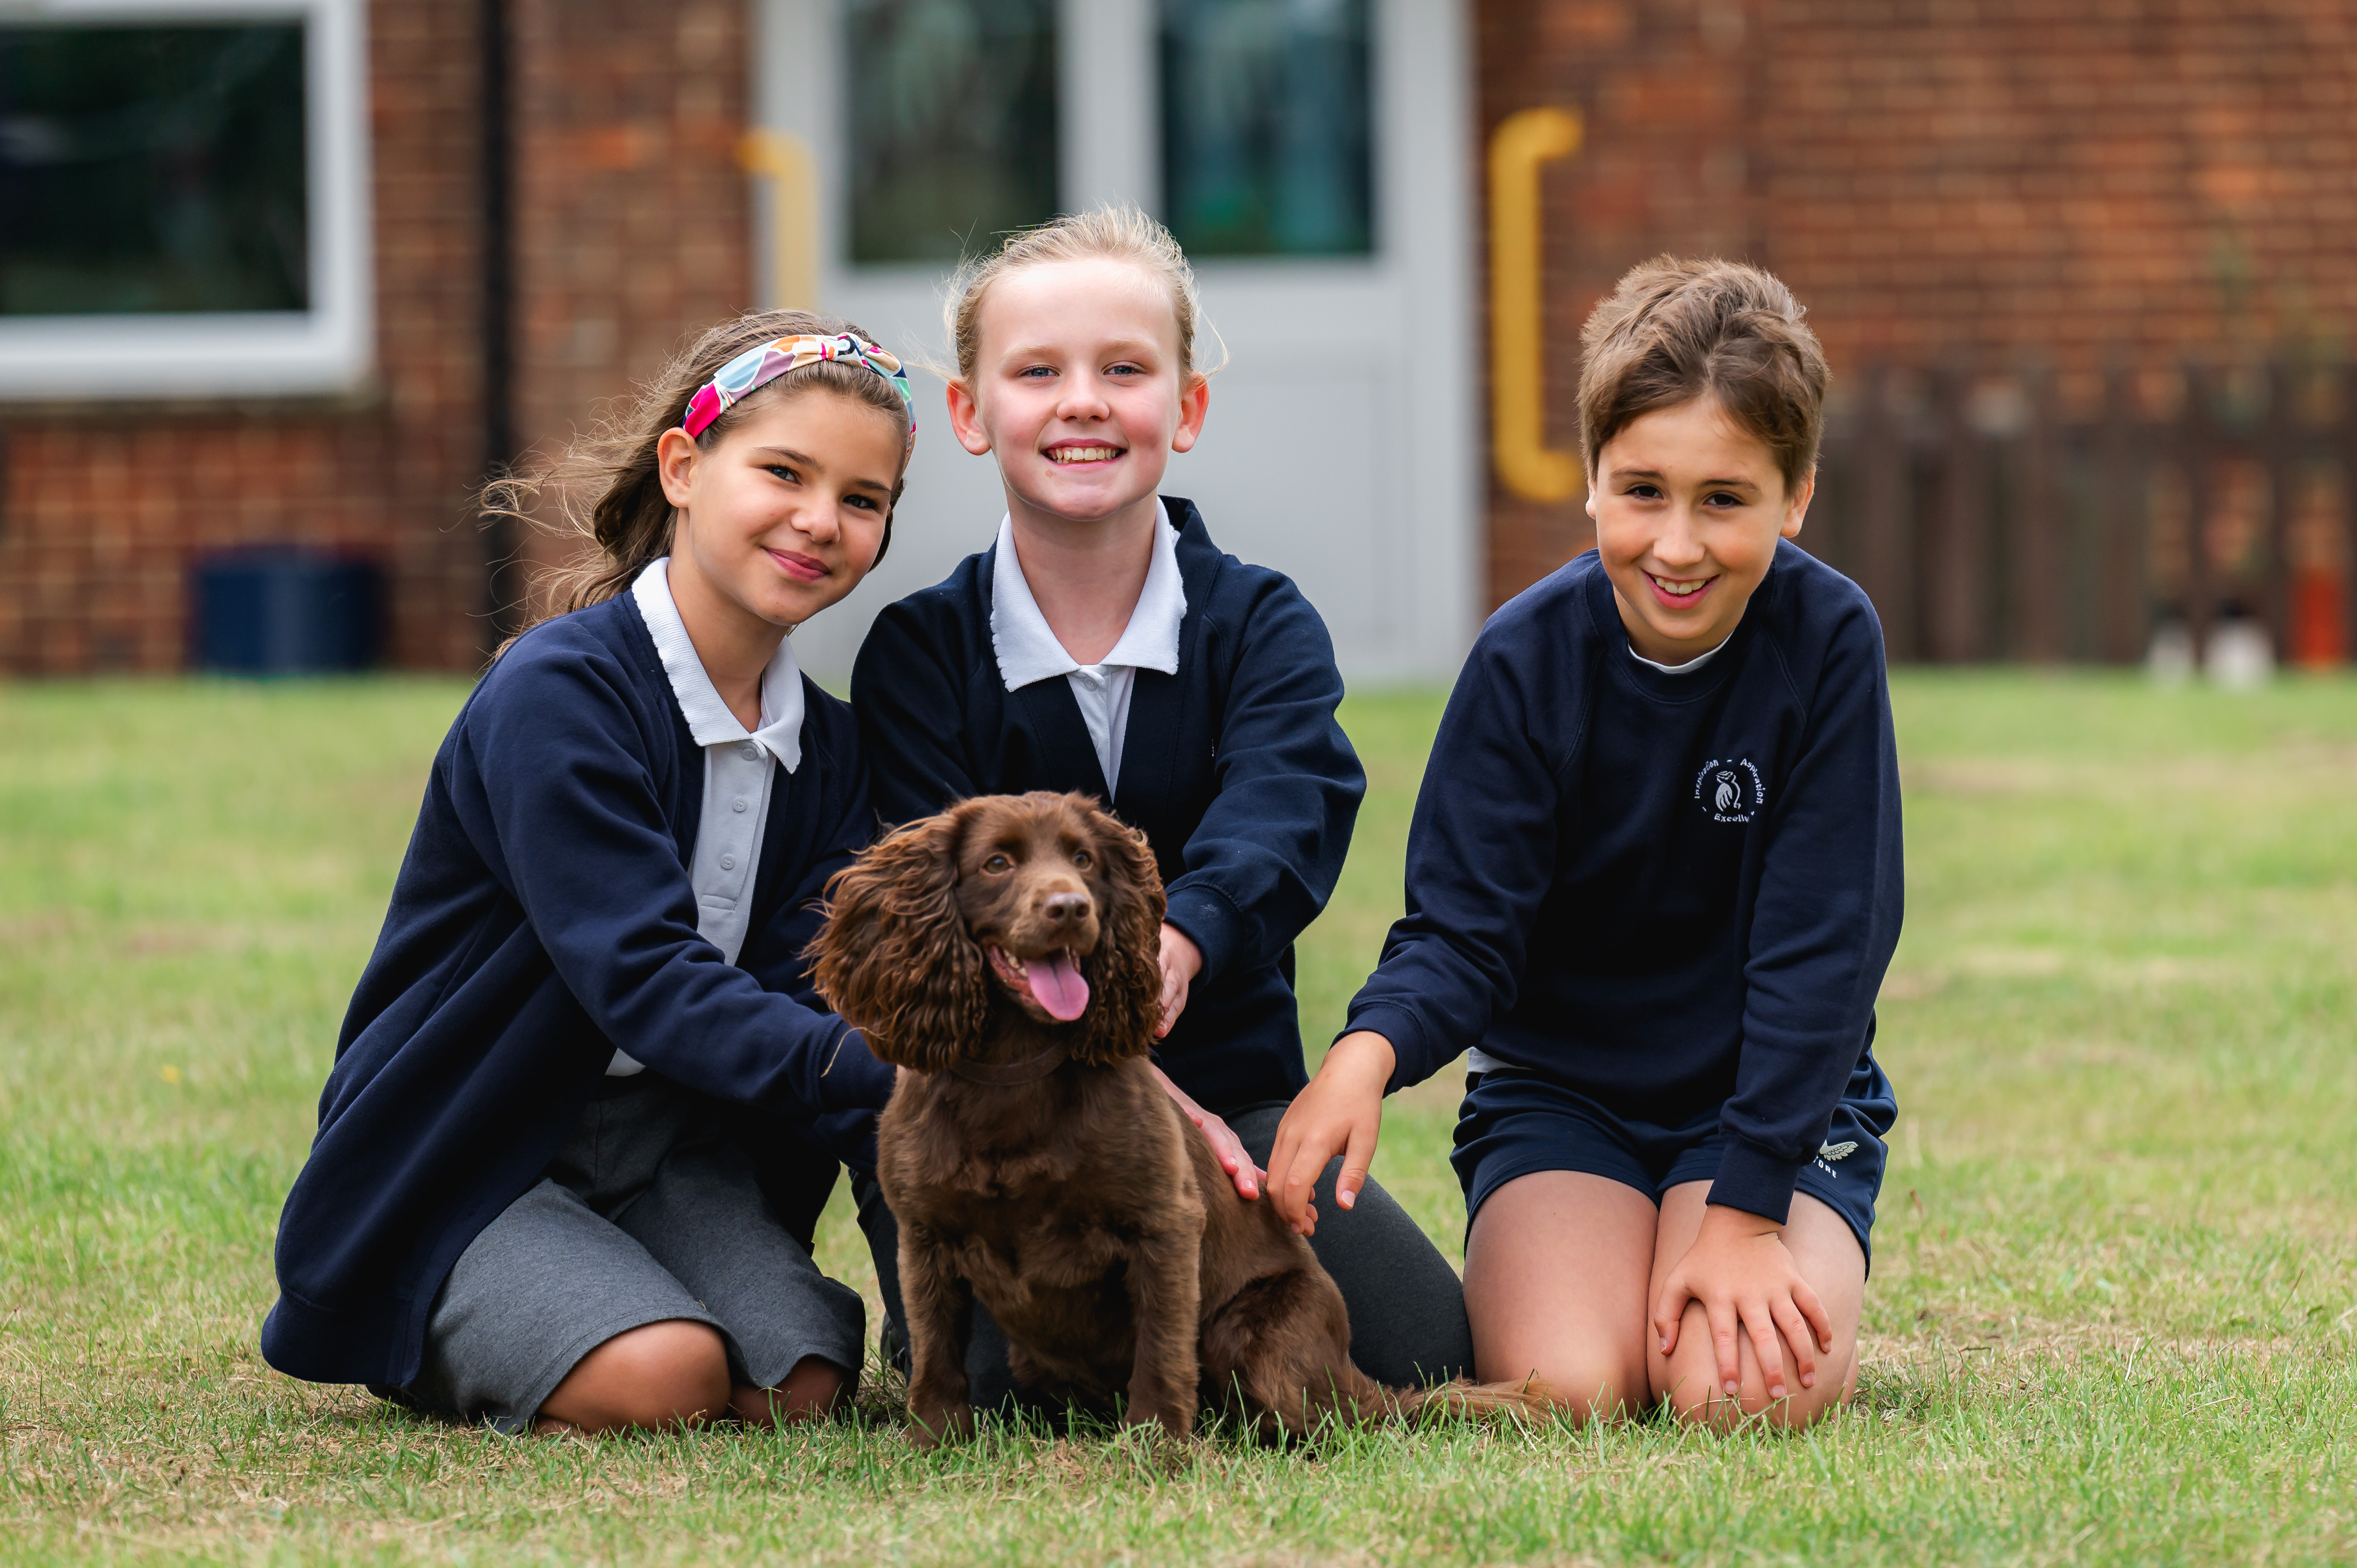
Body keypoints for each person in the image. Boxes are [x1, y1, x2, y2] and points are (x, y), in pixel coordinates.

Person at [849, 206, 1475, 1404]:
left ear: (1182, 410)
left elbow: (1290, 803)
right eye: (1038, 372)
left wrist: (1174, 945)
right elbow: (923, 905)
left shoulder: (1261, 622)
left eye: (1124, 370)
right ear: (971, 415)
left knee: (1422, 1347)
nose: (1083, 401)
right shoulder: (919, 654)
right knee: (1002, 1377)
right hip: (991, 1119)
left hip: (1230, 1094)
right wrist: (1130, 1075)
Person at [1268, 257, 1903, 1429]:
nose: (1676, 542)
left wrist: (1748, 1208)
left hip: (1765, 1103)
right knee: (1568, 1388)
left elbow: (1826, 950)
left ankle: (1769, 1238)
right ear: (1592, 482)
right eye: (1642, 490)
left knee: (1733, 1394)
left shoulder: (1827, 641)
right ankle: (1636, 1243)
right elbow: (1464, 931)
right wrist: (1365, 1051)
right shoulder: (1522, 658)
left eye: (1725, 498)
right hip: (1565, 1101)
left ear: (1795, 495)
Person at [260, 312, 916, 1435]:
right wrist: (910, 1073)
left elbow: (827, 993)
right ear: (683, 466)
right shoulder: (564, 695)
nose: (820, 520)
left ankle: (621, 1285)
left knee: (799, 1380)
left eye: (863, 499)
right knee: (665, 1377)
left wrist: (934, 1292)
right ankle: (440, 1309)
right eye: (783, 472)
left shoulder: (834, 749)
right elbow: (646, 979)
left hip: (678, 1152)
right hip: (477, 1147)